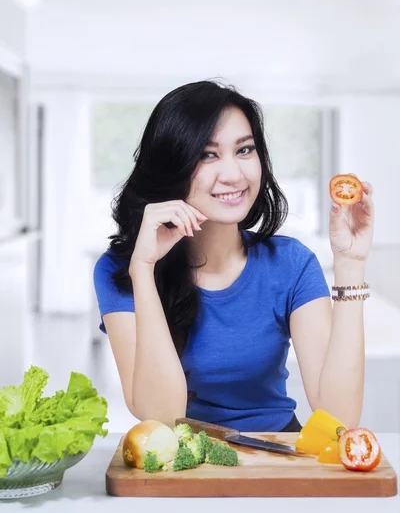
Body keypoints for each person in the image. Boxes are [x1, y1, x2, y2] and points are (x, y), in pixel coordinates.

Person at [93, 80, 374, 433]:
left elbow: (339, 417)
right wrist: (144, 269)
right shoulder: (121, 269)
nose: (233, 174)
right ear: (171, 165)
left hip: (274, 454)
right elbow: (160, 416)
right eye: (207, 154)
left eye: (244, 150)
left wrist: (350, 264)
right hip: (180, 460)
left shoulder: (291, 264)